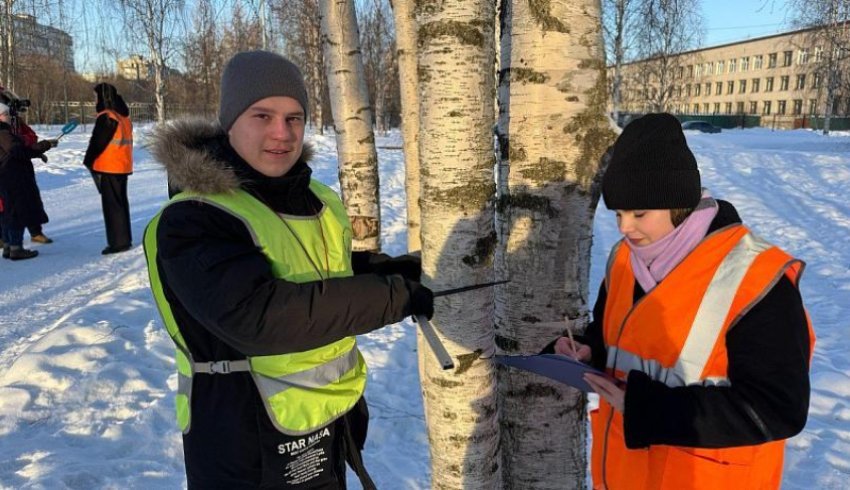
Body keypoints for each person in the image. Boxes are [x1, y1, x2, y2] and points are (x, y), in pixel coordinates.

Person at [143, 50, 433, 489]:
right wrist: (392, 297)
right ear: (230, 122)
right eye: (263, 115)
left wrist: (383, 270)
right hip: (244, 442)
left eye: (294, 118)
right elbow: (257, 314)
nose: (282, 133)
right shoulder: (195, 217)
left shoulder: (312, 196)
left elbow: (313, 269)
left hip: (323, 419)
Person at [546, 113, 815, 489]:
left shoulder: (758, 279)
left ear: (678, 204)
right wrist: (588, 351)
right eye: (619, 213)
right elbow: (620, 340)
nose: (625, 228)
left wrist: (648, 410)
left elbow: (777, 409)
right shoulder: (624, 260)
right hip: (626, 474)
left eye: (639, 213)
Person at [0, 103, 57, 260]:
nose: (9, 117)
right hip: (13, 179)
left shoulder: (6, 132)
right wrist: (42, 146)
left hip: (9, 178)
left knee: (7, 213)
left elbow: (17, 151)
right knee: (16, 213)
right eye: (6, 114)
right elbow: (17, 151)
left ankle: (8, 247)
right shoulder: (3, 133)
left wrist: (37, 151)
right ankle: (16, 248)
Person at [83, 82, 133, 255]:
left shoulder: (107, 117)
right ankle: (124, 239)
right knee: (120, 204)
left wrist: (88, 159)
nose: (94, 99)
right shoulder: (123, 116)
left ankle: (118, 242)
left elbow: (98, 142)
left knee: (113, 207)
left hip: (109, 166)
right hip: (122, 165)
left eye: (96, 96)